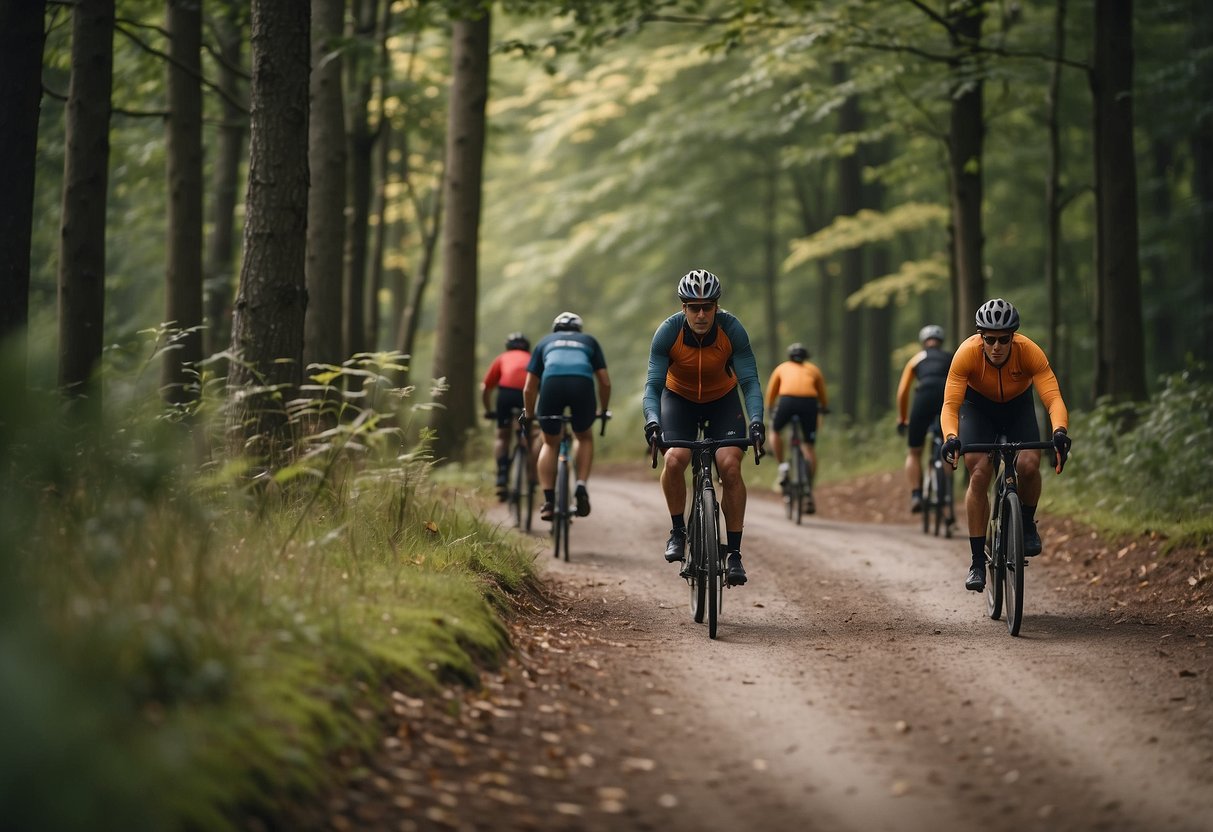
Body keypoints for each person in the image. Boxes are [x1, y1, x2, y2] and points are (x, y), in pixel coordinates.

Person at [940, 298, 1072, 593]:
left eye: (1003, 339)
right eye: (989, 339)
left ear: (1014, 337)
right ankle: (977, 562)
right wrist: (951, 437)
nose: (996, 346)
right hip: (978, 409)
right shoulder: (966, 354)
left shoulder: (1029, 352)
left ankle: (1025, 523)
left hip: (1017, 408)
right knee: (979, 472)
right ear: (980, 337)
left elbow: (1052, 398)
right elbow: (950, 404)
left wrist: (1060, 431)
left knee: (1028, 464)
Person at [643, 269, 765, 587]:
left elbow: (750, 382)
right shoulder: (668, 333)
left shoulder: (732, 330)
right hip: (679, 400)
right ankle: (678, 531)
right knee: (674, 459)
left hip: (722, 401)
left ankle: (734, 553)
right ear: (683, 308)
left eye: (707, 307)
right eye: (693, 307)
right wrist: (652, 421)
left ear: (716, 307)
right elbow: (653, 385)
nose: (700, 314)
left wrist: (755, 421)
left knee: (730, 466)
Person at [520, 312, 611, 522]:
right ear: (579, 329)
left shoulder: (545, 342)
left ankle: (549, 502)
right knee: (583, 436)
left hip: (552, 384)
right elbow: (605, 382)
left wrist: (530, 415)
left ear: (555, 330)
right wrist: (603, 410)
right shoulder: (589, 341)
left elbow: (529, 388)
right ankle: (580, 485)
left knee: (550, 442)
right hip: (582, 385)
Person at [895, 325, 952, 514]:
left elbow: (903, 392)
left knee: (914, 451)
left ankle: (916, 495)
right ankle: (946, 494)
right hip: (946, 396)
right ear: (940, 342)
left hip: (924, 396)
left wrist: (902, 418)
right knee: (947, 445)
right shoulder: (949, 357)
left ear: (924, 343)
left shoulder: (917, 359)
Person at [765, 342, 828, 513]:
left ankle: (782, 466)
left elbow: (771, 393)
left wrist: (770, 408)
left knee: (775, 431)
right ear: (806, 357)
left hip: (787, 401)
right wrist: (824, 406)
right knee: (808, 446)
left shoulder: (782, 368)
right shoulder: (813, 369)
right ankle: (808, 487)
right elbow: (822, 394)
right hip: (809, 404)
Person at [481, 332, 537, 501]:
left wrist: (488, 409)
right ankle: (531, 477)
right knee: (527, 435)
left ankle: (501, 477)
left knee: (502, 435)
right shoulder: (533, 357)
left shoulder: (502, 358)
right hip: (527, 394)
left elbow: (486, 388)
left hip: (505, 395)